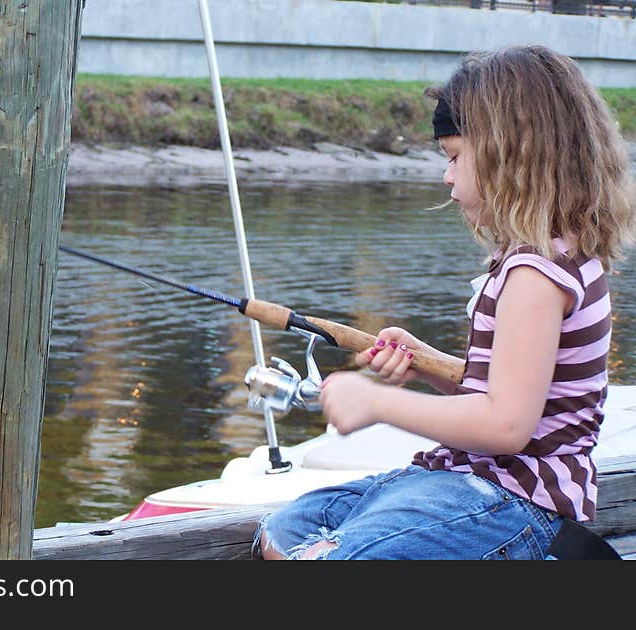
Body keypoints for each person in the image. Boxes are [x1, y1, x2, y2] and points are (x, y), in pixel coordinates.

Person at [253, 44, 636, 560]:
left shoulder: (535, 274)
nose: (447, 177)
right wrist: (427, 365)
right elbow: (517, 389)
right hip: (466, 479)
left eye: (456, 157)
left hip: (514, 499)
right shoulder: (546, 257)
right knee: (284, 533)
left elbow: (506, 425)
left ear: (514, 156)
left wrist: (378, 403)